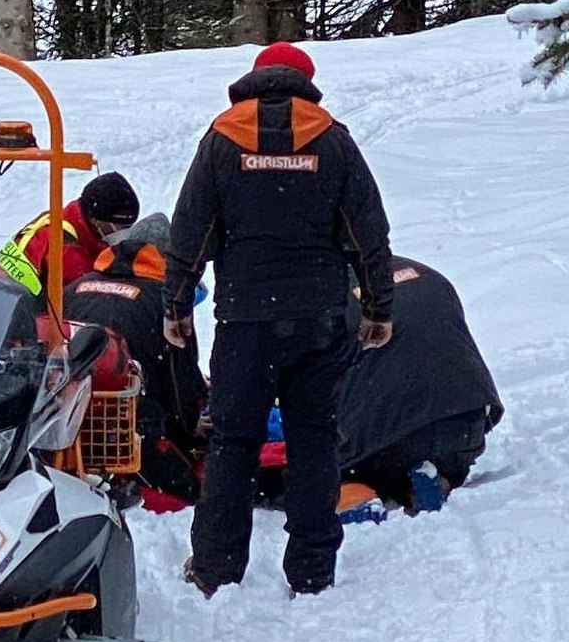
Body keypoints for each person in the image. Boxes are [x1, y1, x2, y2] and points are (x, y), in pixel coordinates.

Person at [161, 40, 395, 597]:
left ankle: (215, 570)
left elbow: (188, 232)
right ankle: (313, 570)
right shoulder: (333, 140)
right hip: (318, 319)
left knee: (232, 443)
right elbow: (370, 234)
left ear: (256, 78)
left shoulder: (222, 139)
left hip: (245, 321)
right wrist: (379, 308)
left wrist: (176, 306)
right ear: (305, 81)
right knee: (313, 440)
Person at [62, 213, 207, 508]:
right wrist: (193, 429)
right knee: (195, 491)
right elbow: (181, 389)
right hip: (127, 436)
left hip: (65, 429)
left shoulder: (75, 287)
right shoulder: (167, 305)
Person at [335, 257, 503, 511]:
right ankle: (433, 476)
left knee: (321, 469)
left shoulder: (322, 295)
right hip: (467, 427)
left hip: (382, 442)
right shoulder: (425, 275)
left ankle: (357, 493)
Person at [0, 171, 140, 297]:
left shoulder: (62, 219)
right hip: (19, 314)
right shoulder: (66, 249)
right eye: (119, 227)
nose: (123, 233)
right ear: (97, 221)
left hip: (1, 297)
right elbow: (87, 301)